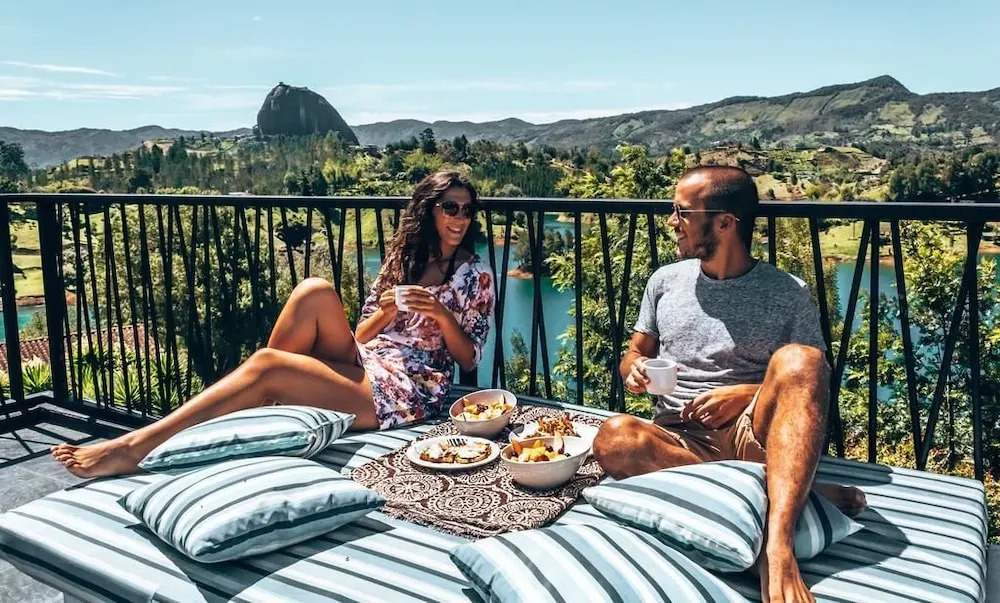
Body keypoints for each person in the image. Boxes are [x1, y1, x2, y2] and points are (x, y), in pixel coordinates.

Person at [52, 170, 495, 478]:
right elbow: (361, 336)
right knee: (313, 290)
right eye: (450, 208)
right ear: (429, 210)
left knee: (269, 364)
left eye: (467, 210)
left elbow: (470, 358)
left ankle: (132, 448)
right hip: (368, 361)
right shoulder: (404, 262)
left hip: (410, 388)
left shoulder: (475, 275)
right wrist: (386, 312)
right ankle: (267, 407)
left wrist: (440, 313)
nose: (460, 218)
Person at [592, 165, 867, 603]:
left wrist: (747, 394)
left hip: (754, 435)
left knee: (803, 358)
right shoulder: (664, 282)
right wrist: (635, 368)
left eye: (682, 212)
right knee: (613, 437)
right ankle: (798, 493)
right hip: (680, 438)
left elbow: (811, 379)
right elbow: (634, 351)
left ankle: (777, 549)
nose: (672, 222)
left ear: (724, 222)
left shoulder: (786, 292)